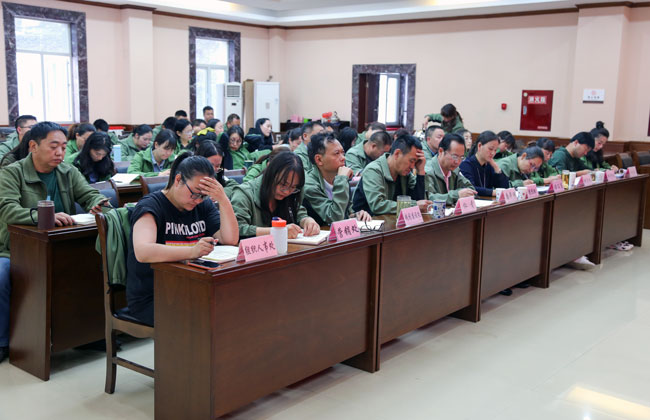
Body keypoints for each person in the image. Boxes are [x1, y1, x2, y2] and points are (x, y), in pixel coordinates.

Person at [0, 122, 108, 361]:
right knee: (1, 276)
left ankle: (86, 334)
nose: (60, 152)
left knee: (94, 266)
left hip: (62, 246)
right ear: (33, 146)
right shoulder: (11, 172)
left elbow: (89, 194)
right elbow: (7, 210)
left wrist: (99, 203)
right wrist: (44, 216)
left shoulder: (68, 171)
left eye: (63, 147)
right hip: (16, 249)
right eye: (53, 146)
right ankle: (3, 342)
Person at [127, 153, 239, 325]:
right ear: (178, 180)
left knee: (235, 305)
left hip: (192, 287)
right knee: (210, 317)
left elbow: (230, 239)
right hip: (155, 296)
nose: (198, 200)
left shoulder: (202, 205)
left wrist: (223, 200)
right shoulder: (150, 206)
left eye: (203, 195)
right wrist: (192, 251)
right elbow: (143, 252)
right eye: (194, 194)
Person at [230, 151, 320, 239]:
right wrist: (277, 232)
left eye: (293, 187)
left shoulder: (291, 194)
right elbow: (237, 230)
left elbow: (298, 212)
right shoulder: (244, 194)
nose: (287, 192)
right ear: (270, 173)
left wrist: (307, 221)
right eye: (283, 184)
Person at [352, 134, 430, 216]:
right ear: (397, 154)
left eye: (416, 162)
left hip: (391, 220)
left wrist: (421, 171)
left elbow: (420, 202)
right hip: (368, 221)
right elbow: (378, 206)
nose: (412, 166)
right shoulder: (373, 170)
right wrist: (414, 205)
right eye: (411, 161)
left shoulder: (405, 172)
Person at [303, 132, 372, 225]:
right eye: (336, 153)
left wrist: (357, 215)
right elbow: (334, 217)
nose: (343, 158)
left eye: (343, 153)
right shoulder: (309, 185)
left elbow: (346, 213)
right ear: (319, 159)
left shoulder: (340, 176)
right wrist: (341, 180)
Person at [425, 133, 476, 205]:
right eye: (455, 156)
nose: (457, 162)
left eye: (461, 157)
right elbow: (429, 199)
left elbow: (471, 189)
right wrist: (456, 195)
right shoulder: (428, 171)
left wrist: (462, 193)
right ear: (441, 151)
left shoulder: (454, 170)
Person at [459, 130, 509, 197]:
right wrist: (493, 192)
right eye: (490, 149)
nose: (493, 153)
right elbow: (471, 189)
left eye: (495, 150)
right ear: (479, 146)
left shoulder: (489, 165)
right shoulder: (466, 165)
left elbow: (504, 187)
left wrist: (496, 167)